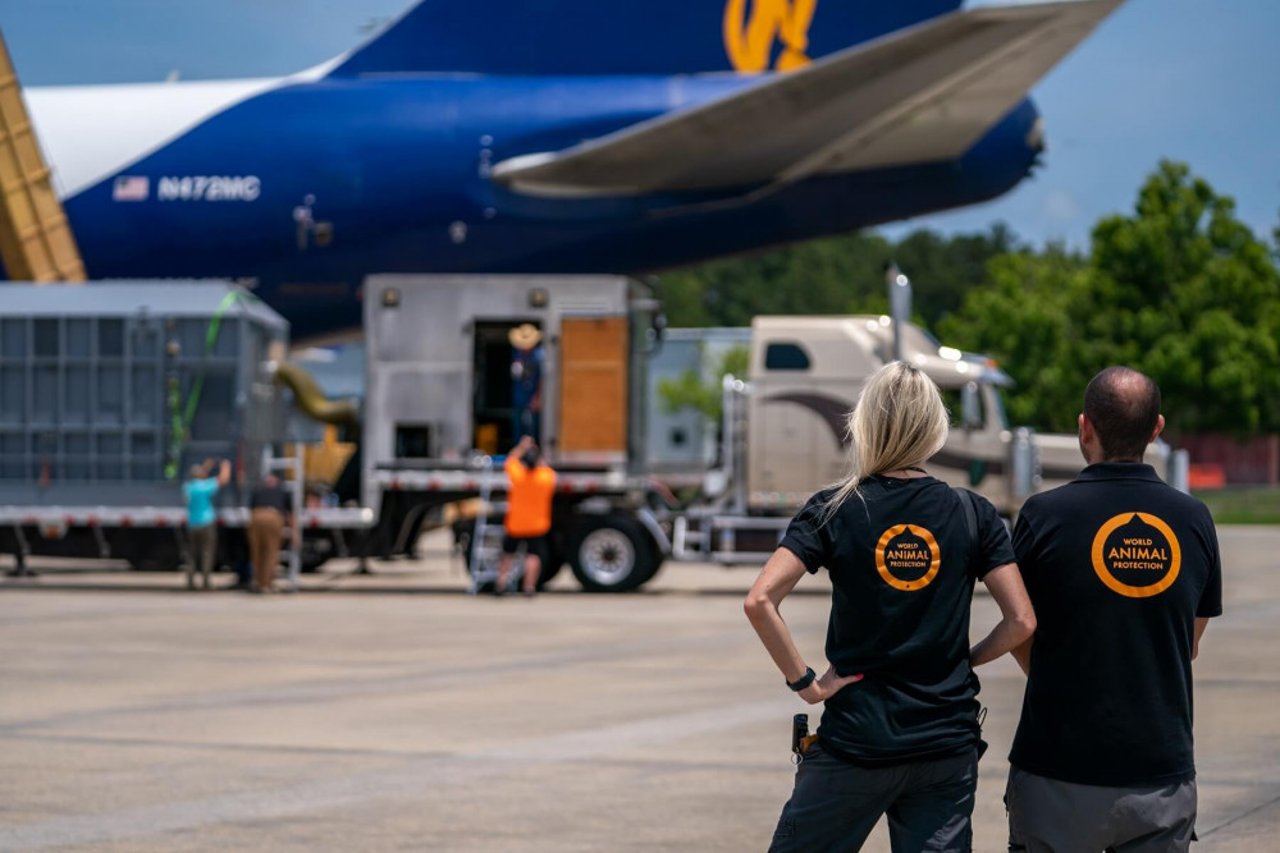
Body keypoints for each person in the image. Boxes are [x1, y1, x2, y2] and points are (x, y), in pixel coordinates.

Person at [744, 361, 1035, 852]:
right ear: (934, 430)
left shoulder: (834, 508)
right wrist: (969, 658)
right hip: (945, 747)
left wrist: (808, 684)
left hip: (857, 743)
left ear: (865, 425)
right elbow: (1022, 620)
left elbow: (760, 600)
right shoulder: (973, 513)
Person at [1005, 366, 1222, 852]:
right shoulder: (1194, 519)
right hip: (1159, 776)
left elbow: (1019, 628)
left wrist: (1055, 677)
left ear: (1085, 428)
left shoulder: (1042, 516)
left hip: (1055, 773)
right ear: (1157, 430)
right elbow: (1187, 642)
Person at [496, 435, 556, 597]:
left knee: (507, 554)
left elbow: (510, 460)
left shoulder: (518, 477)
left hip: (515, 523)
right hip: (536, 525)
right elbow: (548, 469)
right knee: (533, 556)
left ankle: (501, 583)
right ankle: (529, 587)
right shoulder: (545, 478)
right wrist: (538, 456)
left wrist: (522, 446)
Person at [182, 458, 230, 590]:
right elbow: (222, 480)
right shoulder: (205, 486)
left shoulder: (188, 488)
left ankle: (190, 582)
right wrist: (225, 466)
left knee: (192, 554)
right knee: (207, 552)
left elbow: (199, 476)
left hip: (192, 524)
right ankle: (206, 582)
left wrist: (206, 466)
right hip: (206, 522)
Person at [247, 473, 294, 594]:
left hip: (256, 517)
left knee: (256, 552)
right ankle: (267, 584)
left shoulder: (258, 491)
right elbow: (290, 515)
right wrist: (295, 533)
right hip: (273, 516)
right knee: (271, 552)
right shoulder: (283, 491)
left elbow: (250, 509)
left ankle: (258, 581)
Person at [509, 323, 544, 444]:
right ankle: (518, 449)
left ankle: (533, 450)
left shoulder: (539, 356)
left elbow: (543, 378)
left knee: (533, 426)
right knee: (518, 424)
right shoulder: (517, 354)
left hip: (532, 395)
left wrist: (538, 397)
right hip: (519, 396)